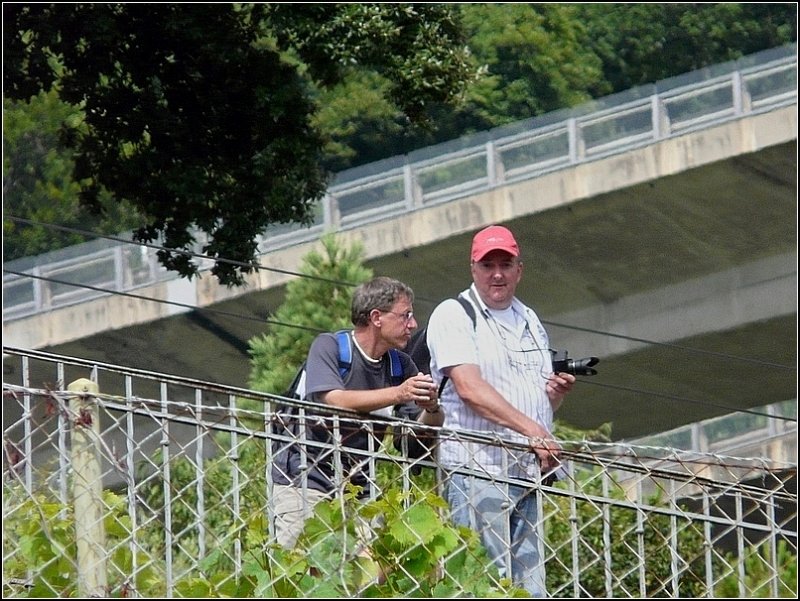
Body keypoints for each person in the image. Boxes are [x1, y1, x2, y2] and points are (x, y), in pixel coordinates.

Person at [425, 224, 576, 597]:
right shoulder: (455, 313)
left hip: (526, 475)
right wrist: (534, 431)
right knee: (487, 584)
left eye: (505, 264)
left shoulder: (530, 320)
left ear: (519, 270)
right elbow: (469, 389)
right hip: (478, 470)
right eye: (487, 264)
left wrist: (553, 396)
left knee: (530, 588)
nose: (497, 273)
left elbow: (535, 402)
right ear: (472, 269)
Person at [271, 276, 444, 550]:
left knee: (363, 583)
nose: (413, 325)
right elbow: (333, 400)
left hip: (360, 489)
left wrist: (432, 408)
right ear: (376, 317)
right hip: (304, 479)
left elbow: (411, 443)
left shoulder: (401, 366)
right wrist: (399, 393)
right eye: (406, 315)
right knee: (300, 575)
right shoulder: (330, 348)